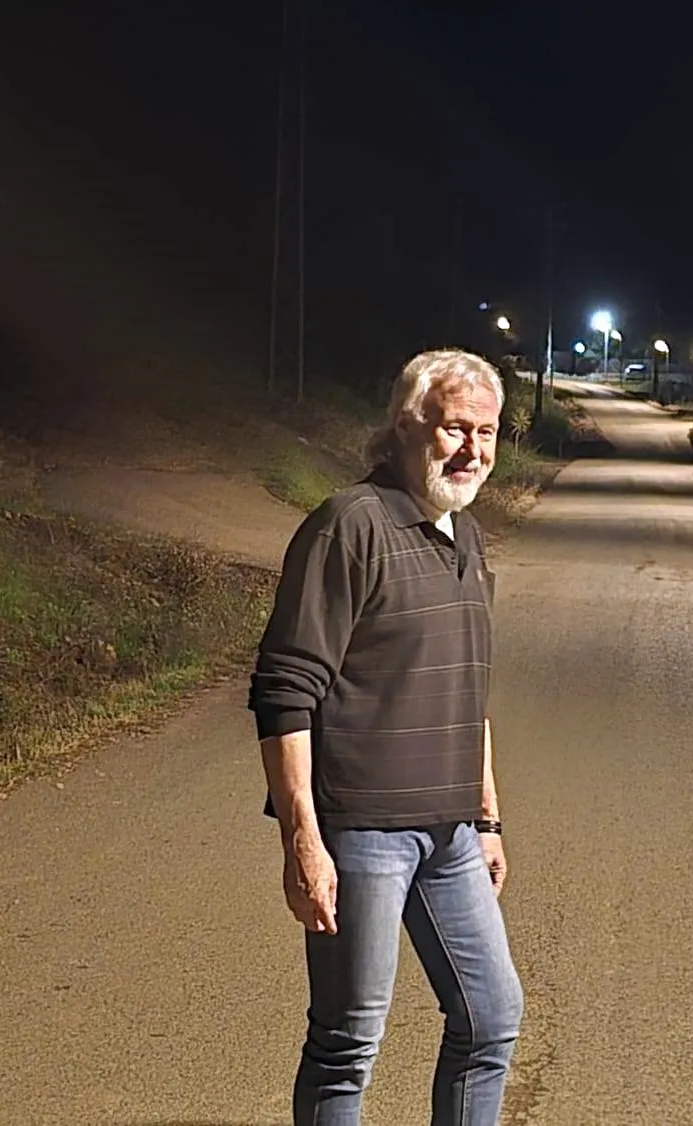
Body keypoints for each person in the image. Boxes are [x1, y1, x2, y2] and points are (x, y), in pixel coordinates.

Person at [249, 348, 523, 1126]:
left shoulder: (464, 535)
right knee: (347, 1041)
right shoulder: (350, 525)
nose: (473, 450)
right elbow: (284, 691)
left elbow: (468, 690)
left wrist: (487, 815)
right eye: (455, 429)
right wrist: (303, 840)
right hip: (361, 831)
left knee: (490, 1016)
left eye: (488, 432)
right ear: (407, 425)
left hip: (451, 835)